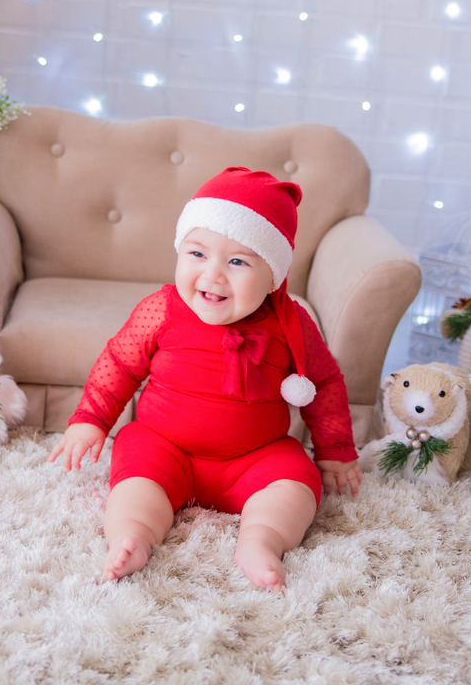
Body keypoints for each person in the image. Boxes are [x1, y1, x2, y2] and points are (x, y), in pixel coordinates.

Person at [49, 167, 361, 591]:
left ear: (272, 275)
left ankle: (261, 542)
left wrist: (336, 449)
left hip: (256, 456)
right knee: (135, 474)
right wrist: (91, 418)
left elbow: (323, 383)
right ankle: (134, 535)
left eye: (236, 261)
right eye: (197, 254)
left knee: (295, 481)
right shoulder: (160, 309)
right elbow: (119, 364)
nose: (213, 275)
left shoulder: (291, 324)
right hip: (166, 447)